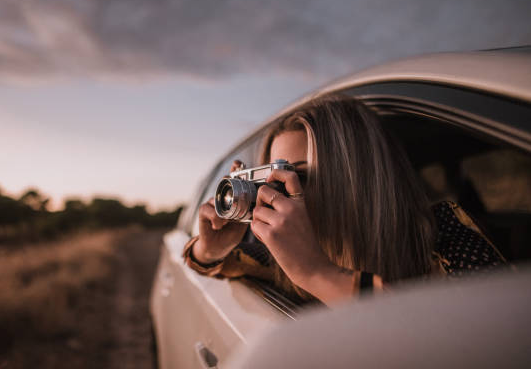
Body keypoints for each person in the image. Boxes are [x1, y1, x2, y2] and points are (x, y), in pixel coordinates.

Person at [183, 95, 506, 306]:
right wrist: (212, 247)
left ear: (360, 180)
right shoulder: (285, 254)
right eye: (272, 182)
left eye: (301, 177)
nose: (277, 197)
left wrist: (316, 274)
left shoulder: (450, 248)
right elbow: (215, 263)